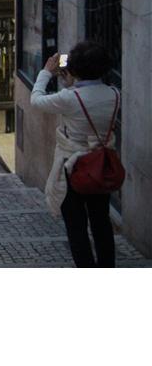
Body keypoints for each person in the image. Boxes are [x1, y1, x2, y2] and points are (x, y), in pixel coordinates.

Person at [30, 41, 121, 268]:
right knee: (101, 221)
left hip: (73, 168)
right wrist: (72, 81)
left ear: (75, 68)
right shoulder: (114, 94)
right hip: (100, 166)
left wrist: (46, 72)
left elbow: (36, 100)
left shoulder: (69, 98)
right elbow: (87, 98)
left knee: (76, 225)